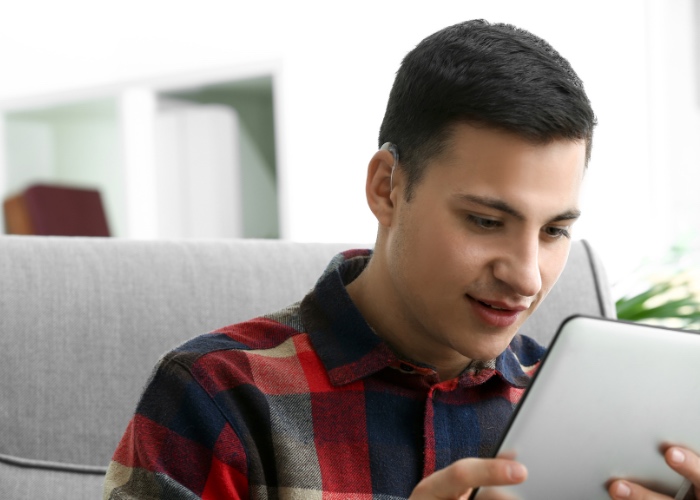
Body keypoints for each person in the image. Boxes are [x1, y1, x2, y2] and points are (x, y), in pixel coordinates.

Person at [103, 19, 700, 500]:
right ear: (387, 187)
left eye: (554, 230)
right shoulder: (218, 398)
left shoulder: (593, 413)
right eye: (486, 221)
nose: (526, 275)